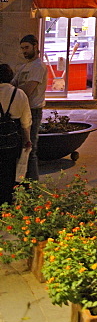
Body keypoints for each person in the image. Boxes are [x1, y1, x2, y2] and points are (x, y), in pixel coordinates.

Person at [12, 34, 47, 182]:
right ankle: (22, 181)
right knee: (20, 148)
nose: (24, 51)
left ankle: (33, 184)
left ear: (35, 46)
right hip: (20, 110)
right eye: (22, 48)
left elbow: (27, 90)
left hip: (33, 110)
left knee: (29, 148)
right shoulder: (24, 66)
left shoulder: (38, 66)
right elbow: (12, 84)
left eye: (26, 47)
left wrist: (16, 89)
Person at [0, 63, 32, 204]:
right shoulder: (19, 94)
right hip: (12, 139)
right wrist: (27, 140)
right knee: (9, 171)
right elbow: (26, 121)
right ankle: (6, 203)